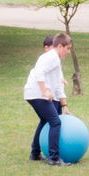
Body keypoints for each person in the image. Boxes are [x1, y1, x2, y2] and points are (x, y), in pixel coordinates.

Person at [24, 32, 72, 166]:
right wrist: (45, 91)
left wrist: (64, 105)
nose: (68, 52)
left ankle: (35, 153)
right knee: (55, 122)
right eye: (68, 49)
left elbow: (58, 85)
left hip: (33, 94)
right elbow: (39, 72)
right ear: (60, 46)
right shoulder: (52, 57)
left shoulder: (56, 60)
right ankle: (54, 158)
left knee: (46, 121)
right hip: (37, 94)